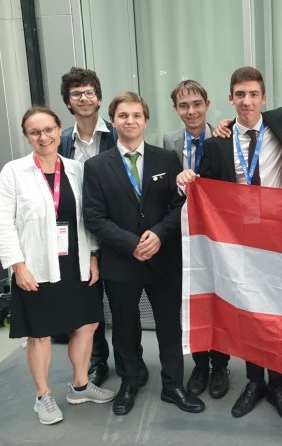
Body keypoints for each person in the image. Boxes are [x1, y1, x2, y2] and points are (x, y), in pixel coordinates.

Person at [177, 66, 282, 423]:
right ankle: (254, 382)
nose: (247, 101)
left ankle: (277, 385)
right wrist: (185, 180)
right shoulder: (218, 142)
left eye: (253, 94)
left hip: (280, 239)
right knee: (248, 312)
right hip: (238, 244)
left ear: (263, 98)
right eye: (240, 95)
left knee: (278, 314)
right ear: (230, 99)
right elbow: (202, 188)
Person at [82, 92, 205, 416]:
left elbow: (179, 205)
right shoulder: (96, 166)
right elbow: (93, 217)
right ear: (113, 120)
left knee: (169, 324)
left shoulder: (166, 159)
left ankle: (173, 384)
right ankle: (130, 381)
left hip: (163, 259)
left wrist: (160, 234)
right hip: (121, 261)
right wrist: (130, 243)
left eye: (137, 115)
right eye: (123, 115)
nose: (130, 120)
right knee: (124, 326)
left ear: (146, 120)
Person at [0, 106, 115, 425]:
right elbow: (3, 224)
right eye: (35, 132)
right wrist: (17, 266)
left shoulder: (76, 169)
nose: (43, 137)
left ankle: (80, 385)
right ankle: (43, 395)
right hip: (36, 265)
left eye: (48, 129)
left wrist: (93, 255)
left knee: (87, 324)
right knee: (40, 333)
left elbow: (88, 217)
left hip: (76, 262)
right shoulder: (13, 172)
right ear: (27, 136)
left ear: (59, 129)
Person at [58, 66, 148, 388]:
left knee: (124, 309)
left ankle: (132, 365)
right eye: (76, 94)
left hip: (114, 234)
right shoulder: (62, 141)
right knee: (87, 304)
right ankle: (97, 361)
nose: (83, 98)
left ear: (98, 98)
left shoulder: (119, 133)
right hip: (77, 234)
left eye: (89, 92)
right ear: (68, 102)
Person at [163, 80, 230, 399]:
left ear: (207, 104)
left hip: (217, 233)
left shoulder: (223, 136)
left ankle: (220, 365)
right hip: (184, 232)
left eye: (196, 104)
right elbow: (167, 187)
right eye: (183, 106)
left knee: (219, 298)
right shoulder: (169, 141)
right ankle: (200, 365)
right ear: (176, 109)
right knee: (194, 297)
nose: (191, 111)